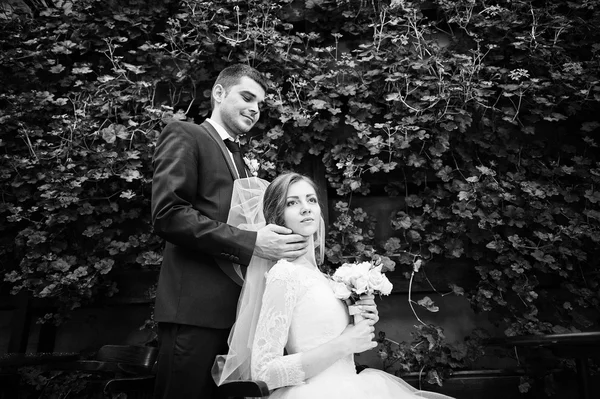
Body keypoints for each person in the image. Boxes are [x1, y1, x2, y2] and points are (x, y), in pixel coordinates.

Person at [213, 173, 456, 399]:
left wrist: (361, 316)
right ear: (277, 216)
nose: (305, 207)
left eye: (310, 199)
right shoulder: (284, 275)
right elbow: (264, 372)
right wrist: (345, 343)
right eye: (292, 203)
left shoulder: (327, 279)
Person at [151, 64, 309, 399]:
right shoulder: (187, 135)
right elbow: (169, 215)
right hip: (195, 310)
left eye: (260, 104)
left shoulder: (240, 156)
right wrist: (253, 243)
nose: (255, 109)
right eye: (247, 97)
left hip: (237, 314)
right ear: (219, 93)